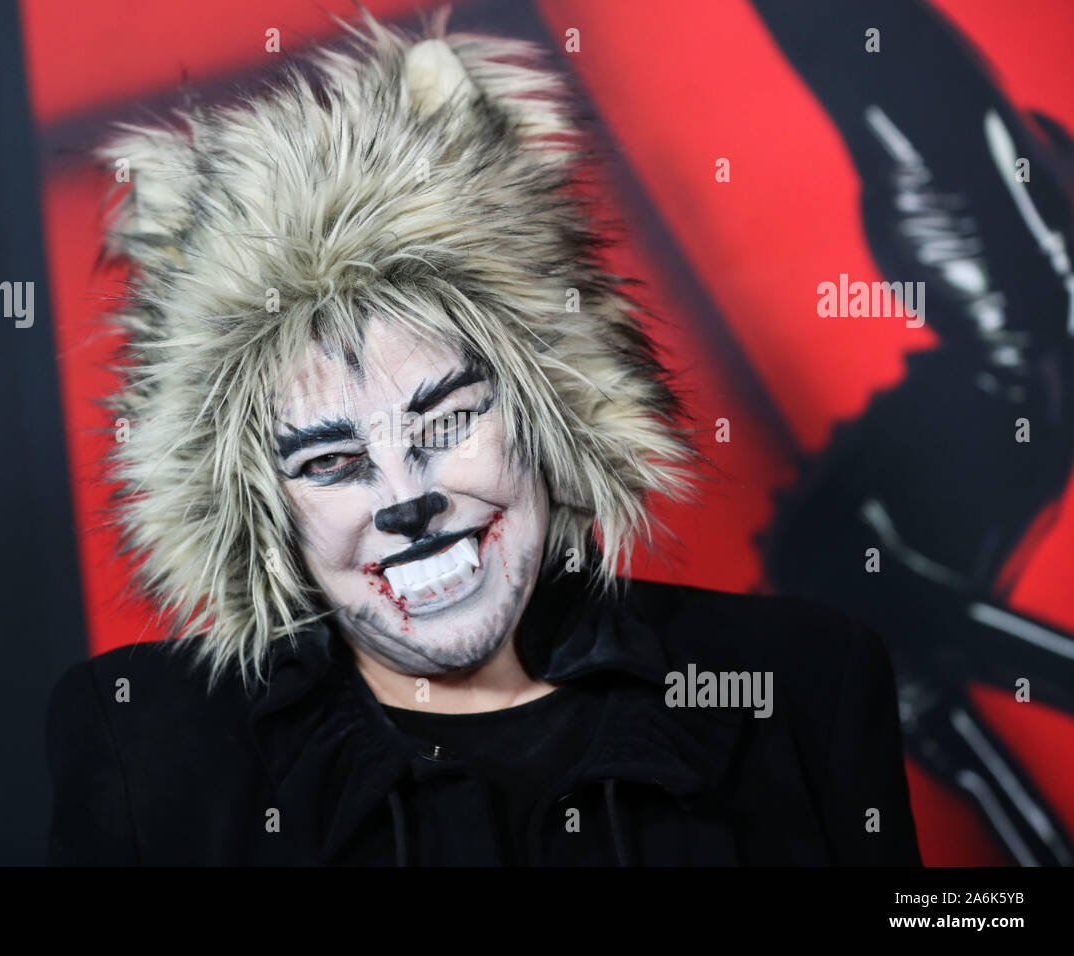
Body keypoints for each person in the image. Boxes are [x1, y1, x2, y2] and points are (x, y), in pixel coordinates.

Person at [45, 8, 921, 866]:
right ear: (262, 508)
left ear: (551, 410)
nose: (405, 500)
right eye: (333, 462)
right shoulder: (147, 750)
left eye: (449, 420)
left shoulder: (806, 683)